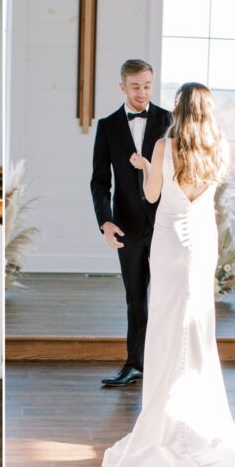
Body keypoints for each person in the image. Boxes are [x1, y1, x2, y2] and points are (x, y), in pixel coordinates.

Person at [101, 82, 235, 467]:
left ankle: (165, 419)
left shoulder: (163, 145)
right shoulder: (219, 147)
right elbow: (207, 193)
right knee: (197, 326)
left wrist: (146, 167)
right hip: (201, 240)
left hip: (171, 239)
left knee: (167, 323)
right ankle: (197, 412)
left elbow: (153, 194)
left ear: (177, 107)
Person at [90, 59, 172, 387]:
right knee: (135, 298)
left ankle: (166, 365)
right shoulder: (108, 126)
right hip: (127, 226)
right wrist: (105, 222)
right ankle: (135, 364)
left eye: (148, 85)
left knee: (169, 295)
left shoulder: (168, 120)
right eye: (135, 86)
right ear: (122, 86)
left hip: (166, 223)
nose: (142, 92)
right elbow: (99, 181)